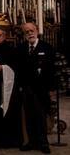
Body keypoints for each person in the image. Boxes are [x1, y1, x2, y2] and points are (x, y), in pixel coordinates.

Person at [16, 22, 54, 154]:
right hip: (26, 88)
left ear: (37, 31)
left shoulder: (46, 47)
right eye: (27, 32)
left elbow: (51, 70)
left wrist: (51, 88)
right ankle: (31, 142)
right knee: (29, 115)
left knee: (41, 116)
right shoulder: (20, 48)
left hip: (41, 88)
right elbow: (18, 69)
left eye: (32, 30)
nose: (30, 33)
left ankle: (43, 143)